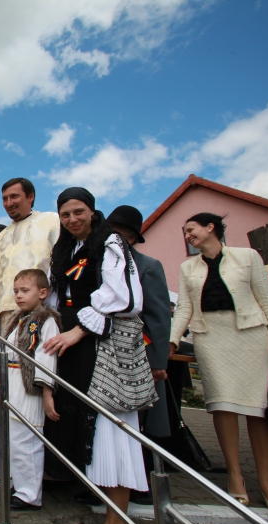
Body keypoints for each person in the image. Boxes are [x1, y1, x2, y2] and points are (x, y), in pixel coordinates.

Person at [169, 212, 268, 515]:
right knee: (222, 405)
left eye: (191, 230)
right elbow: (184, 308)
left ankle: (266, 481)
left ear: (211, 227)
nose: (187, 236)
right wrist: (171, 341)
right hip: (211, 337)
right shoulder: (188, 267)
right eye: (185, 233)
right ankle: (236, 476)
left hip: (252, 336)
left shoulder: (248, 256)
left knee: (259, 410)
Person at [43, 187, 147, 524]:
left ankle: (118, 522)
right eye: (65, 214)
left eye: (78, 212)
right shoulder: (65, 248)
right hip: (72, 343)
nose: (72, 219)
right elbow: (59, 296)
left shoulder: (111, 243)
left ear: (92, 211)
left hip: (102, 345)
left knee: (111, 430)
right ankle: (105, 512)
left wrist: (78, 331)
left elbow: (122, 297)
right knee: (84, 426)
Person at [108, 205, 172, 505]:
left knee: (144, 419)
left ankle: (144, 484)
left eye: (119, 232)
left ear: (132, 237)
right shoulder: (103, 262)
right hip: (107, 356)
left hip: (139, 353)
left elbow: (159, 317)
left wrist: (158, 361)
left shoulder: (148, 266)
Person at [0, 269, 60, 510]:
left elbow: (47, 359)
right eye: (16, 291)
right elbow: (5, 353)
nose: (18, 296)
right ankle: (0, 482)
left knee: (25, 441)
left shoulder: (47, 322)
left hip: (29, 389)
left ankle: (29, 494)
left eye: (25, 291)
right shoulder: (16, 320)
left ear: (43, 293)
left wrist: (47, 394)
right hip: (9, 385)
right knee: (0, 435)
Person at [0, 178, 59, 368]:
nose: (9, 203)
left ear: (30, 197)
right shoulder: (1, 237)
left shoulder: (51, 222)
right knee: (4, 373)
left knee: (35, 372)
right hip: (3, 320)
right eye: (5, 199)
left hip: (38, 315)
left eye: (14, 196)